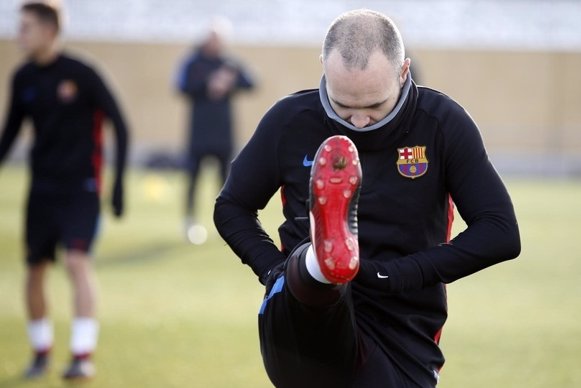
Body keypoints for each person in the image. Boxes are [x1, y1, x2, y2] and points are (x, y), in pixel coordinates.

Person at [214, 9, 520, 388]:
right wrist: (272, 270)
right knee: (316, 293)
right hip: (300, 317)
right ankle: (318, 265)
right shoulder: (290, 120)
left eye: (374, 106)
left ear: (404, 72)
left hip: (403, 322)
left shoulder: (441, 123)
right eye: (344, 105)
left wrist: (395, 275)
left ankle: (320, 264)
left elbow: (500, 232)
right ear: (323, 69)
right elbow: (231, 206)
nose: (358, 122)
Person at [0, 1, 128, 380]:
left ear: (49, 30)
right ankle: (40, 352)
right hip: (41, 190)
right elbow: (9, 133)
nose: (18, 33)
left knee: (76, 262)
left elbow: (120, 124)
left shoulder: (83, 74)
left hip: (81, 189)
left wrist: (118, 185)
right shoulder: (22, 77)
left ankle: (81, 354)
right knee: (35, 268)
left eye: (26, 27)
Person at [176, 20, 254, 242]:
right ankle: (189, 221)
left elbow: (251, 83)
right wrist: (208, 85)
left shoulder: (229, 63)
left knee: (224, 182)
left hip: (223, 133)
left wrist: (230, 83)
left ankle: (225, 223)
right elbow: (181, 86)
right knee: (193, 178)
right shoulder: (194, 63)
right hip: (199, 133)